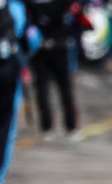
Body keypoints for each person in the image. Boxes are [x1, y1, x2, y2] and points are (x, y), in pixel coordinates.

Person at [0, 0, 41, 184]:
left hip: (9, 69)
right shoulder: (16, 7)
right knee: (6, 129)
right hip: (8, 71)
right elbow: (33, 39)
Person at [27, 0, 80, 139]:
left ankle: (70, 126)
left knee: (64, 88)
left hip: (58, 46)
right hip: (41, 48)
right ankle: (48, 127)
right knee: (43, 89)